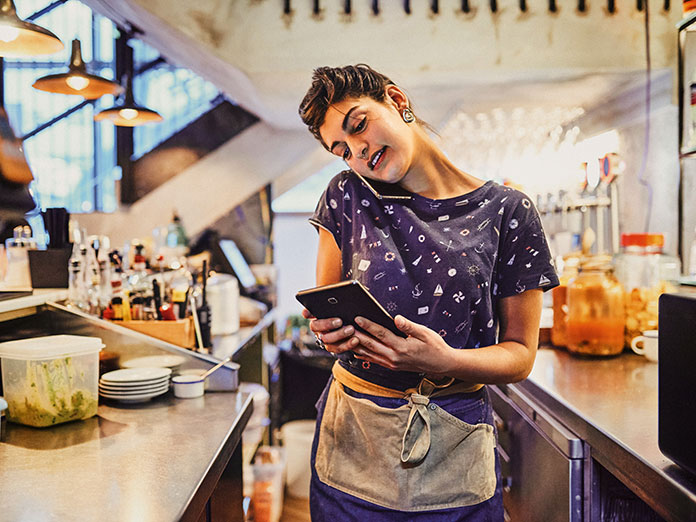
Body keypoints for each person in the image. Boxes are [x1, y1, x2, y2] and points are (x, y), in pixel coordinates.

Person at [298, 64, 559, 521]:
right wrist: (328, 333)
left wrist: (446, 362)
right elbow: (328, 305)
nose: (358, 152)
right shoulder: (347, 196)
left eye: (358, 125)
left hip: (455, 439)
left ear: (397, 101)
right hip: (355, 436)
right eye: (341, 150)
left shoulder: (508, 211)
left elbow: (520, 354)